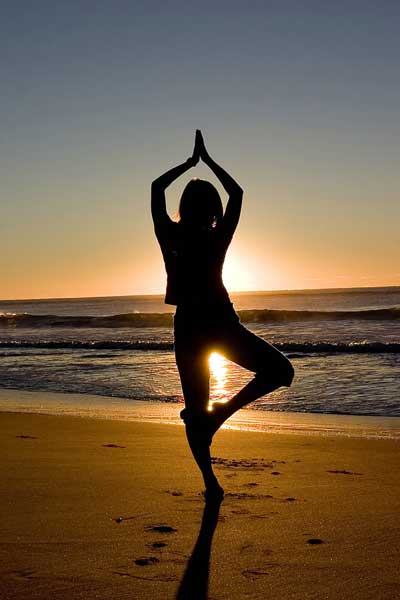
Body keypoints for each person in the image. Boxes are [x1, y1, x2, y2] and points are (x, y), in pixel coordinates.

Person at [151, 130, 294, 499]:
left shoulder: (171, 235)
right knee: (279, 372)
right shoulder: (213, 237)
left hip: (193, 326)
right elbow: (238, 194)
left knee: (198, 412)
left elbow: (155, 188)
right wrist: (208, 161)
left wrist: (189, 163)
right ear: (212, 208)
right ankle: (217, 426)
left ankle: (210, 474)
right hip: (217, 321)